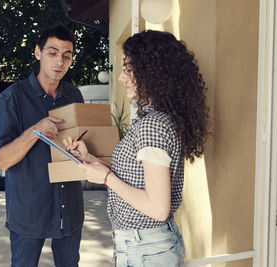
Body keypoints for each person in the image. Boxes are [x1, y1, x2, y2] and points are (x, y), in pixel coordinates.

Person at [64, 30, 209, 266]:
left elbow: (158, 208)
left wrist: (107, 178)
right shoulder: (157, 118)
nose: (121, 78)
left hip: (145, 249)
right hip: (146, 246)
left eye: (128, 69)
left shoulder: (153, 125)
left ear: (154, 73)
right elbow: (137, 177)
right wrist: (90, 159)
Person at [0, 24, 84, 267]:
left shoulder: (75, 96)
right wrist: (36, 132)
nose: (59, 61)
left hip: (69, 208)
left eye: (66, 55)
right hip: (29, 211)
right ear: (38, 53)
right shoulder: (12, 97)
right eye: (52, 53)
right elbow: (2, 161)